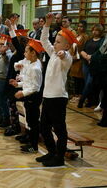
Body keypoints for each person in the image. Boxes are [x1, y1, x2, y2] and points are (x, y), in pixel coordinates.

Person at [37, 12, 78, 167]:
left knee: (60, 130)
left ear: (67, 45)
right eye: (55, 41)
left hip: (58, 98)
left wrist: (63, 53)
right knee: (44, 128)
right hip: (48, 97)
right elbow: (43, 40)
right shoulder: (53, 53)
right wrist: (47, 23)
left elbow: (65, 56)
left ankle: (59, 158)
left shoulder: (65, 57)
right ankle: (51, 152)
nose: (55, 44)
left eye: (59, 42)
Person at [9, 39, 43, 153]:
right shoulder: (30, 64)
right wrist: (17, 84)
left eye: (26, 51)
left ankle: (34, 146)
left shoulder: (36, 68)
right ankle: (30, 142)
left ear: (33, 53)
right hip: (29, 95)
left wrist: (22, 93)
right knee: (29, 119)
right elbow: (28, 82)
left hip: (34, 97)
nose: (24, 54)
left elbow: (35, 87)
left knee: (33, 122)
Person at [79, 24, 105, 108]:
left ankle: (81, 100)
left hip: (94, 64)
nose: (94, 32)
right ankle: (90, 100)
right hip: (86, 64)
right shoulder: (89, 40)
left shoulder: (102, 40)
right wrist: (86, 56)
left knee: (89, 83)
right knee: (87, 82)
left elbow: (100, 52)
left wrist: (91, 57)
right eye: (93, 30)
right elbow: (82, 50)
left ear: (100, 31)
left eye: (96, 30)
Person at [69, 20, 89, 103]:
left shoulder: (85, 37)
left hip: (80, 60)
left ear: (84, 27)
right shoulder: (76, 36)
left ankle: (80, 96)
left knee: (80, 79)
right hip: (73, 59)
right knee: (75, 79)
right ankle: (75, 95)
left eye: (81, 26)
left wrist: (76, 57)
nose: (79, 28)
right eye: (79, 26)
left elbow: (83, 49)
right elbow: (72, 47)